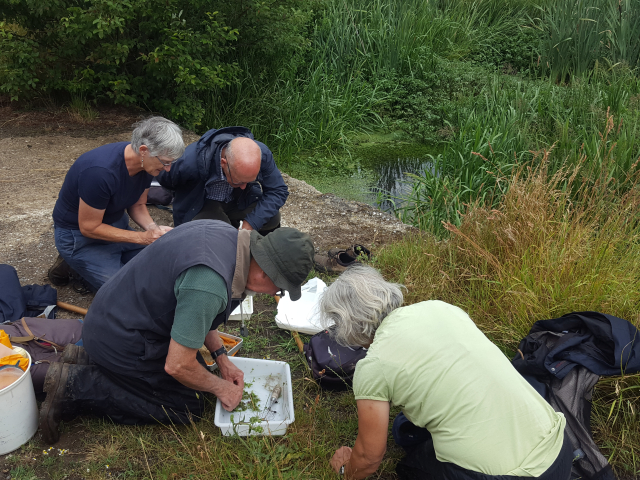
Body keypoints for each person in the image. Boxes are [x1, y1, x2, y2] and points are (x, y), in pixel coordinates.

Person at [39, 220, 314, 444]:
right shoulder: (208, 283)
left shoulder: (227, 237)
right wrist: (221, 388)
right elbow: (177, 365)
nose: (274, 294)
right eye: (278, 288)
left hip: (116, 316)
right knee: (187, 405)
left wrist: (221, 357)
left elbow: (199, 316)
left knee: (198, 381)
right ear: (264, 273)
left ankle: (86, 359)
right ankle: (74, 385)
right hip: (122, 336)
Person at [320, 265, 573, 480]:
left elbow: (369, 458)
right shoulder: (440, 308)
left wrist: (346, 469)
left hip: (513, 475)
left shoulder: (373, 366)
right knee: (405, 428)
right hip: (560, 451)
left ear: (345, 326)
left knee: (412, 467)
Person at [48, 116, 185, 292]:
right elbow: (89, 227)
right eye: (165, 162)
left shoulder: (147, 164)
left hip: (114, 225)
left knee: (159, 267)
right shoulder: (100, 172)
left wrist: (153, 229)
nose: (168, 169)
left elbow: (137, 205)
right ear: (143, 150)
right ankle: (74, 265)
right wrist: (142, 238)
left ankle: (91, 265)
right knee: (124, 292)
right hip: (80, 237)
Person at [157, 126, 288, 234]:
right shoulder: (189, 162)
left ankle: (254, 247)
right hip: (203, 204)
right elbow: (166, 180)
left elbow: (277, 190)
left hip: (239, 200)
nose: (244, 186)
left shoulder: (260, 154)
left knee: (272, 218)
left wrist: (250, 224)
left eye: (248, 181)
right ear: (223, 163)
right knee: (222, 234)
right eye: (239, 181)